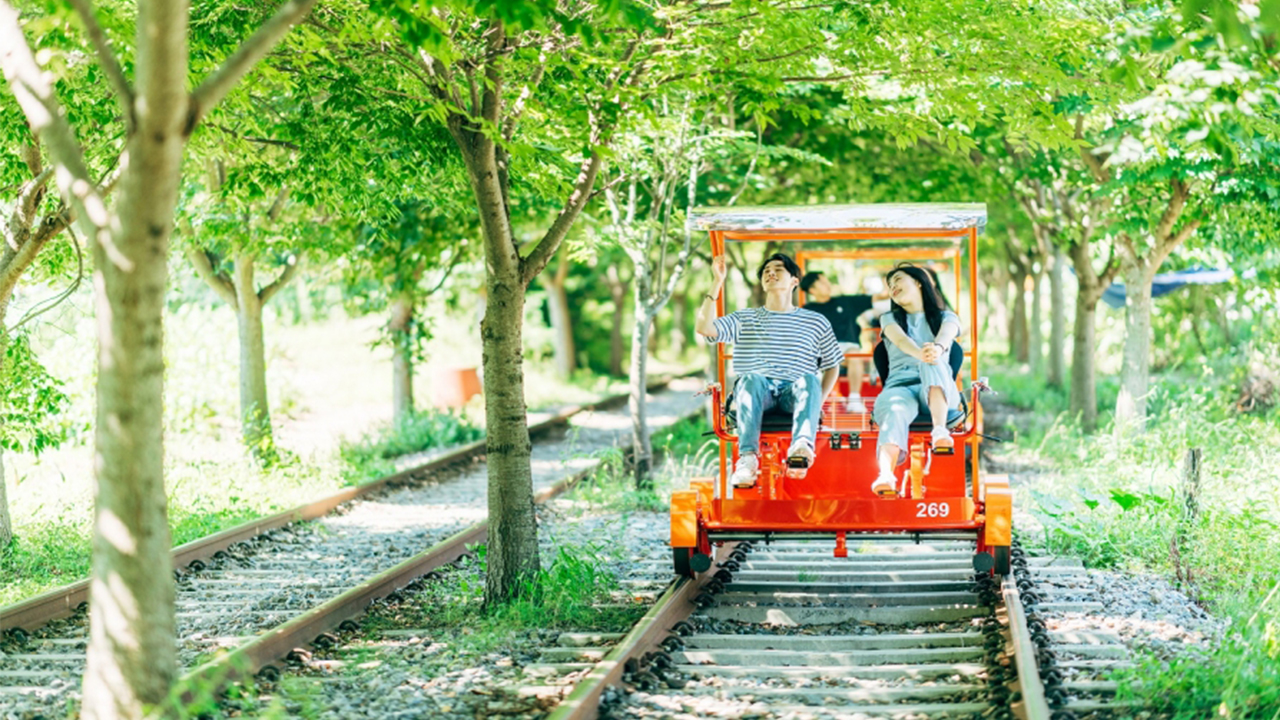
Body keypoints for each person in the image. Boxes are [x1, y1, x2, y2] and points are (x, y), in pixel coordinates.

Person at [696, 253, 842, 488]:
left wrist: (818, 402)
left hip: (794, 392)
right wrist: (717, 281)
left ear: (794, 281)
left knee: (809, 378)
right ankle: (747, 459)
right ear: (763, 283)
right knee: (751, 378)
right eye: (766, 271)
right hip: (757, 391)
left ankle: (801, 447)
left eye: (778, 269)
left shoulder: (815, 321)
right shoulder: (745, 317)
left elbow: (832, 365)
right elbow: (704, 327)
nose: (771, 273)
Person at [870, 263, 962, 497]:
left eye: (898, 280)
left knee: (932, 361)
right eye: (890, 285)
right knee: (894, 408)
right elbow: (901, 341)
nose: (893, 287)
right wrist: (921, 353)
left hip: (938, 388)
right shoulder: (889, 319)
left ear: (919, 282)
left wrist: (936, 350)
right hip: (900, 389)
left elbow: (946, 336)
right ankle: (886, 475)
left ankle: (939, 431)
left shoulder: (947, 317)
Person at [799, 271, 873, 410]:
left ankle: (854, 400)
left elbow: (876, 298)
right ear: (812, 290)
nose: (827, 284)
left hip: (847, 348)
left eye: (826, 280)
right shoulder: (807, 311)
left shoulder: (845, 302)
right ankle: (817, 401)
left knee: (855, 355)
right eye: (822, 282)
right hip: (821, 350)